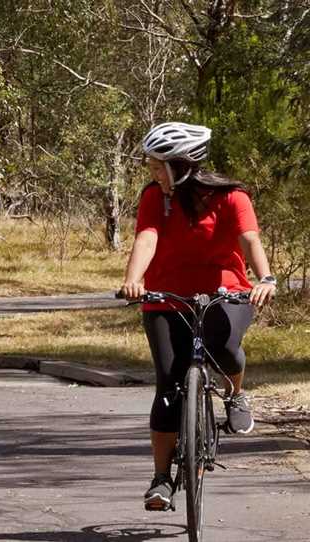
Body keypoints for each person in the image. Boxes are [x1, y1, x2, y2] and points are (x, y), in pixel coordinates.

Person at [120, 122, 276, 511]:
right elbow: (147, 237)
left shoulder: (231, 196)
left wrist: (266, 278)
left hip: (225, 291)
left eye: (159, 166)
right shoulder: (156, 196)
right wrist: (133, 280)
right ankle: (161, 479)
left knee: (223, 346)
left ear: (181, 164)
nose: (153, 173)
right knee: (168, 385)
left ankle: (236, 394)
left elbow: (249, 239)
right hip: (165, 297)